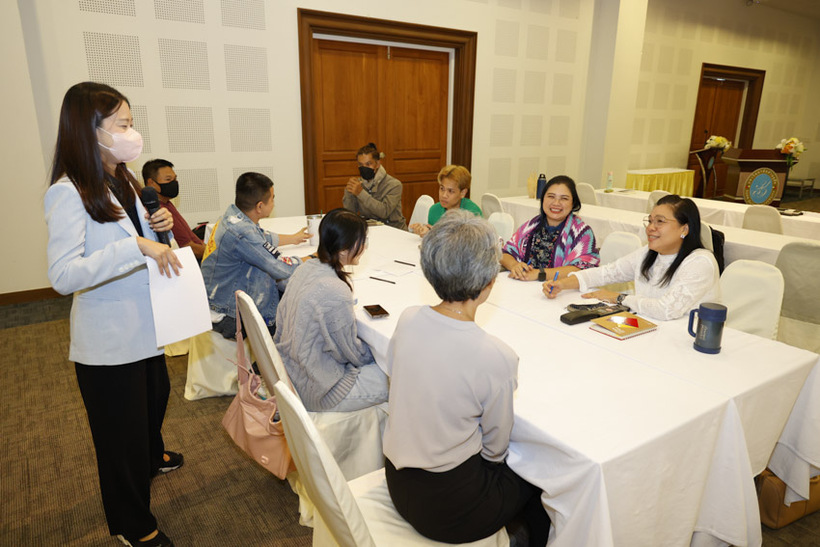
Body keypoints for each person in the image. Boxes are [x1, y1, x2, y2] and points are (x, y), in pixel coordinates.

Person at [44, 82, 183, 547]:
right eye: (122, 125)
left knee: (152, 404)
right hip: (109, 339)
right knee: (120, 438)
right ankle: (132, 525)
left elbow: (145, 242)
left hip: (146, 325)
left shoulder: (122, 179)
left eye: (130, 123)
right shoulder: (68, 192)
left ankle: (149, 462)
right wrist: (135, 247)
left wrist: (160, 229)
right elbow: (63, 275)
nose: (131, 133)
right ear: (90, 131)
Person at [383, 210, 550, 545]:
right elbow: (495, 449)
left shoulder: (408, 318)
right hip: (450, 508)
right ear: (490, 281)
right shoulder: (495, 355)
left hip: (398, 482)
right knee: (541, 474)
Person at [274, 208, 388, 411]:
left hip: (289, 373)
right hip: (318, 390)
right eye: (361, 242)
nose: (364, 247)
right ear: (343, 250)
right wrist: (379, 352)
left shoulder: (304, 268)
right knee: (396, 378)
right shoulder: (335, 290)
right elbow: (352, 354)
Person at [543, 194, 720, 321]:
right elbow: (607, 273)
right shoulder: (648, 254)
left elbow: (666, 309)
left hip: (683, 341)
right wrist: (562, 284)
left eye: (660, 221)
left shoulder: (700, 262)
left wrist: (618, 298)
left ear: (684, 229)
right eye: (650, 221)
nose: (650, 228)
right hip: (647, 328)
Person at [200, 172, 311, 339]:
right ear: (259, 206)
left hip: (216, 299)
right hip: (228, 315)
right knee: (295, 307)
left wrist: (293, 239)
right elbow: (279, 268)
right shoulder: (243, 232)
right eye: (272, 198)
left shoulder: (233, 217)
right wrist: (311, 258)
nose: (274, 203)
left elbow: (261, 238)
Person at [501, 175, 599, 282]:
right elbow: (505, 253)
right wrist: (515, 265)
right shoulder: (531, 226)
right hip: (525, 285)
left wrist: (540, 274)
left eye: (564, 198)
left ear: (573, 203)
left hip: (561, 289)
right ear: (543, 199)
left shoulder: (582, 233)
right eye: (551, 197)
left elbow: (584, 269)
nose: (556, 203)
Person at [142, 159, 205, 260]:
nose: (174, 183)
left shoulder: (167, 202)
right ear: (151, 183)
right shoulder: (159, 212)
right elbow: (187, 247)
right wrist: (215, 254)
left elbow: (190, 237)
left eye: (175, 179)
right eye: (168, 179)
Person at [343, 142, 407, 230]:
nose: (364, 168)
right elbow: (350, 214)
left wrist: (361, 193)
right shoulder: (358, 184)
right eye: (360, 165)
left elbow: (384, 212)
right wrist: (349, 193)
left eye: (368, 164)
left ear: (377, 164)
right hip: (370, 230)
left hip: (394, 230)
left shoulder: (394, 184)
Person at [409, 165, 482, 236]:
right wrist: (426, 232)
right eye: (442, 189)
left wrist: (434, 234)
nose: (444, 195)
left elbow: (470, 242)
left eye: (450, 191)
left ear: (463, 193)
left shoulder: (473, 214)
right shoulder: (434, 210)